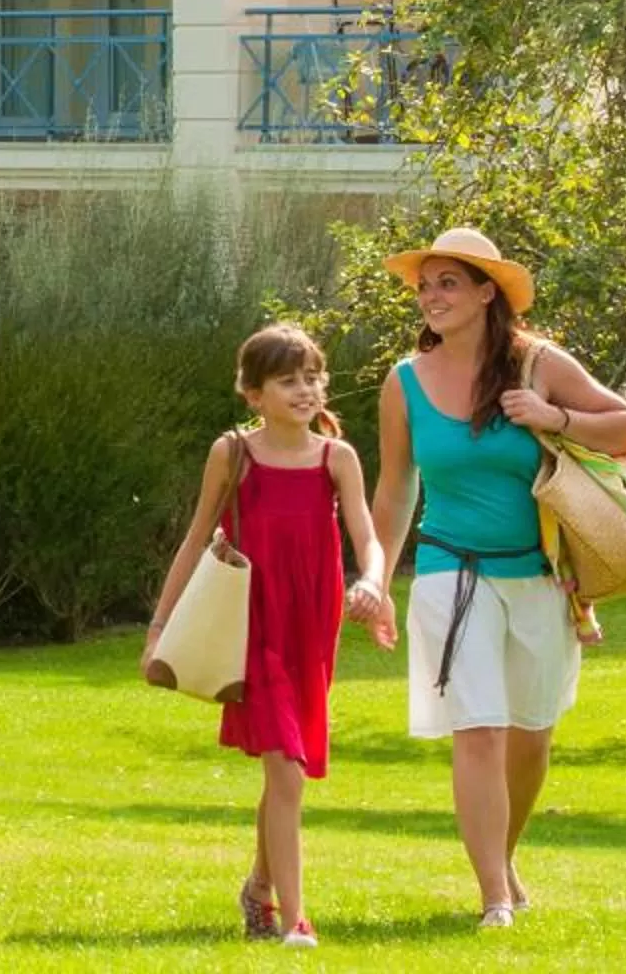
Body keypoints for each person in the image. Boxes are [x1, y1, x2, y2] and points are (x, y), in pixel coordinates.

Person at [367, 227, 626, 928]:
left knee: (530, 734)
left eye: (448, 283)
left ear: (488, 292)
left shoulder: (537, 364)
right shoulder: (404, 382)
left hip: (539, 577)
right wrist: (376, 578)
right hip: (448, 573)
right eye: (425, 286)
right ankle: (493, 896)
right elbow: (395, 490)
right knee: (479, 729)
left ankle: (504, 856)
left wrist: (555, 417)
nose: (431, 297)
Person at [143, 324, 396, 950]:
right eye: (288, 380)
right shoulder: (232, 454)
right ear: (254, 394)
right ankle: (295, 919)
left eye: (312, 377)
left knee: (289, 767)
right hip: (252, 625)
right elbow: (195, 539)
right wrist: (159, 629)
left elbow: (368, 537)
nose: (305, 390)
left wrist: (372, 581)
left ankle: (259, 887)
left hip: (313, 624)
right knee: (286, 771)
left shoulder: (337, 458)